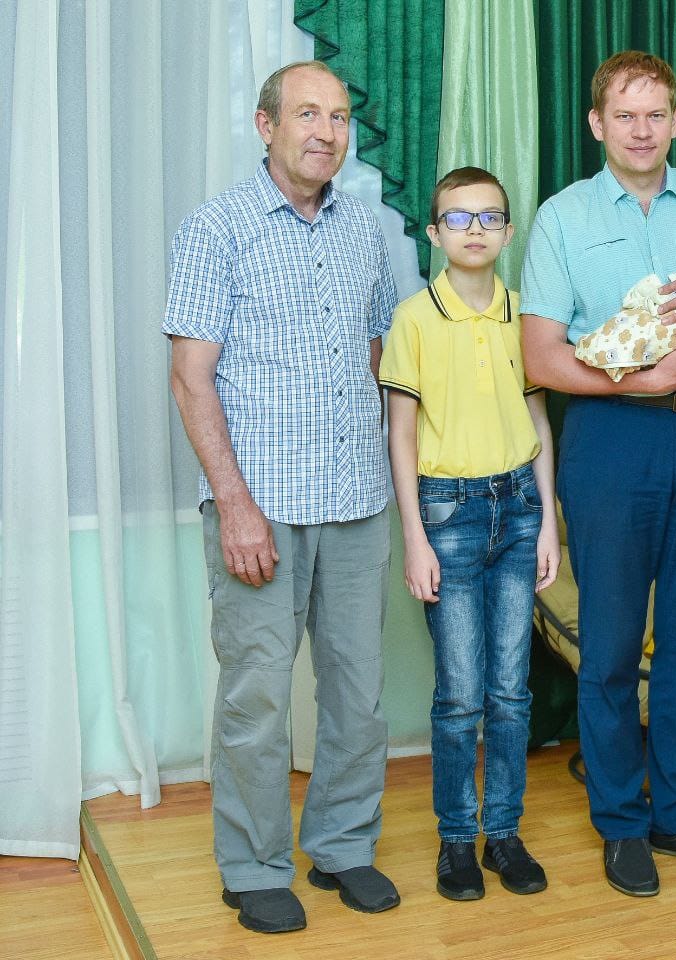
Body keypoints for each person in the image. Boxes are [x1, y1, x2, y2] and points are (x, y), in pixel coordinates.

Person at [520, 50, 676, 897]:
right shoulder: (562, 217)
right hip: (612, 438)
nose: (641, 130)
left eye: (656, 114)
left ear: (675, 121)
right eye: (625, 115)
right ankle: (622, 824)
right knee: (611, 645)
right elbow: (541, 357)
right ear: (598, 123)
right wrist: (640, 379)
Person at [164, 60, 400, 933]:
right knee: (258, 695)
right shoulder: (216, 227)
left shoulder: (365, 228)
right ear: (266, 126)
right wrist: (234, 505)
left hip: (356, 499)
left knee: (358, 692)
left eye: (338, 116)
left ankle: (342, 845)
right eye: (307, 114)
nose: (326, 132)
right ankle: (254, 865)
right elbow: (191, 379)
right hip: (259, 503)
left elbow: (377, 360)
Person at [380, 166, 560, 902]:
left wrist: (549, 523)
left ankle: (503, 833)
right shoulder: (415, 318)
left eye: (489, 217)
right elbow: (399, 434)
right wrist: (415, 538)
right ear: (435, 233)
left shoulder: (526, 315)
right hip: (447, 515)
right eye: (458, 218)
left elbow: (539, 421)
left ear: (509, 232)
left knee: (511, 689)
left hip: (518, 510)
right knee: (460, 694)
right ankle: (456, 839)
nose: (475, 230)